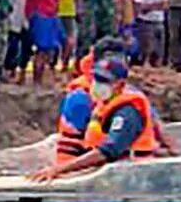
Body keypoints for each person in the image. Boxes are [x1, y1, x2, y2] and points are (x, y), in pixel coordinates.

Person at [29, 57, 160, 182]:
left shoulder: (127, 112)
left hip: (130, 176)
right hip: (108, 172)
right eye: (96, 78)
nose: (97, 84)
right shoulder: (103, 104)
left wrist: (59, 169)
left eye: (104, 80)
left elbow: (107, 152)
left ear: (119, 85)